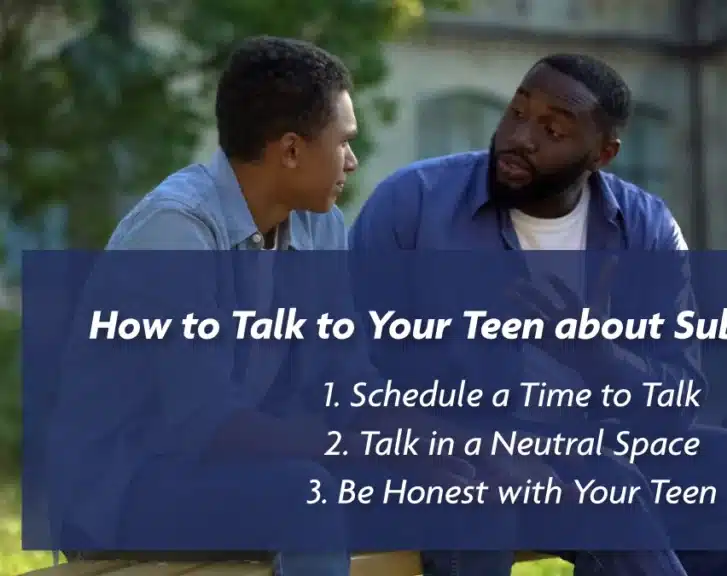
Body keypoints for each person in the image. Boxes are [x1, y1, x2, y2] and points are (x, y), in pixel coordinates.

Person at [349, 54, 727, 576]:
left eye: (552, 129)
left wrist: (597, 356)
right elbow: (354, 373)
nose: (520, 137)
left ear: (602, 154)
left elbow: (677, 399)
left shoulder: (645, 229)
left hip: (596, 443)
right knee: (606, 488)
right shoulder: (414, 205)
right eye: (516, 113)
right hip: (454, 448)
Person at [47, 36, 469, 576]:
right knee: (306, 493)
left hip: (235, 474)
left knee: (452, 488)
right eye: (343, 142)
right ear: (291, 150)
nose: (352, 160)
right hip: (121, 490)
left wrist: (435, 441)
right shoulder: (175, 230)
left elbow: (345, 376)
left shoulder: (319, 223)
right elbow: (206, 422)